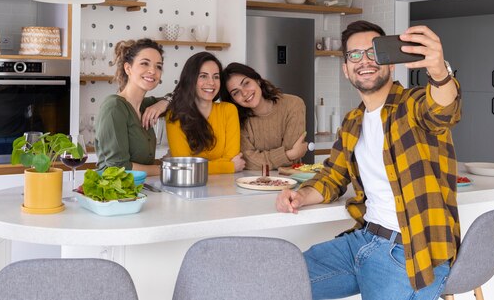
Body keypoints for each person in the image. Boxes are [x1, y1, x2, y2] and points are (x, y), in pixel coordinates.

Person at [276, 20, 462, 300]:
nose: (364, 61)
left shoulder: (412, 106)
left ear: (390, 63)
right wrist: (300, 196)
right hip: (363, 241)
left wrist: (438, 72)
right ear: (346, 69)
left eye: (374, 52)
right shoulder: (353, 121)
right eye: (354, 55)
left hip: (409, 253)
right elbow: (332, 176)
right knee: (276, 282)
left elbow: (443, 111)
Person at [95, 38, 170, 176]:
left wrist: (164, 102)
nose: (152, 71)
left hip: (140, 190)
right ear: (128, 68)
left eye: (158, 66)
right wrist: (165, 170)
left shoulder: (145, 105)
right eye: (144, 64)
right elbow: (118, 166)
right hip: (114, 192)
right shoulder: (114, 107)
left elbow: (181, 99)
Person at [166, 52, 244, 174]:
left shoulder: (229, 110)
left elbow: (232, 157)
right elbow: (184, 166)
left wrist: (197, 167)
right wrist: (228, 167)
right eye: (203, 76)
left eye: (216, 77)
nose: (211, 82)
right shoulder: (175, 116)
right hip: (189, 188)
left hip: (226, 186)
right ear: (191, 79)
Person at [221, 62, 308, 170]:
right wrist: (289, 155)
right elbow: (247, 161)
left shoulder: (294, 104)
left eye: (246, 83)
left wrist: (262, 159)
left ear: (257, 80)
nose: (244, 93)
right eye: (236, 93)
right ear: (233, 100)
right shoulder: (236, 119)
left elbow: (294, 157)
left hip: (290, 180)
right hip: (251, 182)